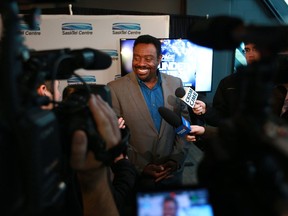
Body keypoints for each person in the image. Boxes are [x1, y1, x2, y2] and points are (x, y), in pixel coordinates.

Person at [107, 34, 192, 190]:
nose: (140, 64)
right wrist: (141, 166)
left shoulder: (176, 83)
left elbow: (184, 127)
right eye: (136, 58)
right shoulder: (114, 89)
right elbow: (116, 136)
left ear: (159, 59)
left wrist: (175, 160)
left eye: (148, 59)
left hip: (171, 175)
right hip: (136, 178)